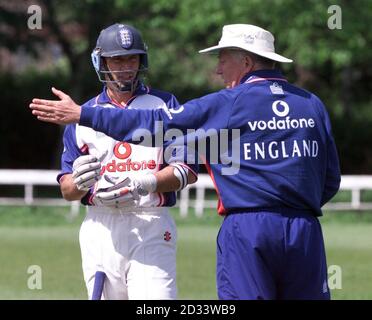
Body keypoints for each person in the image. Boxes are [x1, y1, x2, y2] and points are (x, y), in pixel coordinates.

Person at [30, 24, 341, 300]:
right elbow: (330, 180)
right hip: (306, 228)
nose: (218, 70)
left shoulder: (228, 103)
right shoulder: (312, 104)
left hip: (244, 227)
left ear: (245, 62)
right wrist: (294, 205)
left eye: (222, 59)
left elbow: (157, 126)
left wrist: (85, 116)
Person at [50, 23, 197, 300]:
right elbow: (68, 190)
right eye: (116, 59)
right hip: (100, 228)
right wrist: (81, 182)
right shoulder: (83, 115)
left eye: (132, 58)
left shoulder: (166, 105)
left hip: (150, 223)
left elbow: (186, 170)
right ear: (100, 61)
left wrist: (144, 183)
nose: (126, 66)